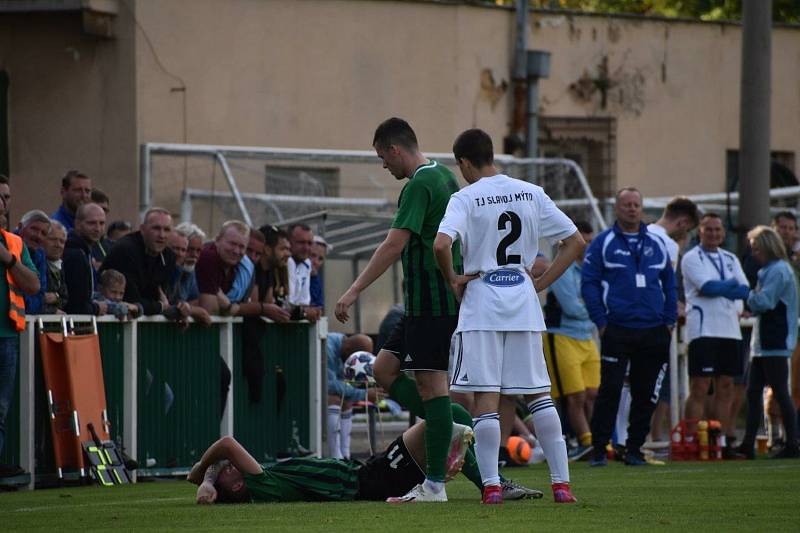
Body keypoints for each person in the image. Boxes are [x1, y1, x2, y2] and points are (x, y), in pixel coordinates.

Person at [434, 128, 583, 504]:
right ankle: (561, 486)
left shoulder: (465, 197)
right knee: (538, 394)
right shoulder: (531, 193)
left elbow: (441, 243)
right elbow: (575, 241)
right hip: (521, 300)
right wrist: (540, 282)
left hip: (483, 301)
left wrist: (452, 278)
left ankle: (492, 487)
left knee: (486, 396)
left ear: (465, 162)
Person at [335, 118, 461, 503]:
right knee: (383, 370)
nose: (383, 165)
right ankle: (452, 426)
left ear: (394, 149)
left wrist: (353, 290)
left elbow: (393, 245)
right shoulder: (443, 176)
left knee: (431, 388)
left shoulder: (419, 184)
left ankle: (435, 484)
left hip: (432, 304)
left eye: (381, 157)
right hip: (422, 305)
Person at [582, 187, 677, 467]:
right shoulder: (603, 243)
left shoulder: (657, 243)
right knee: (610, 389)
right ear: (617, 208)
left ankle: (634, 449)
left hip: (654, 330)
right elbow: (589, 283)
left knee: (646, 392)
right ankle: (600, 449)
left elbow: (670, 284)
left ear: (642, 208)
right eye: (627, 205)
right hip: (617, 329)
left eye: (636, 204)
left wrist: (669, 321)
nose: (632, 209)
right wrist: (601, 321)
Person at [186, 423, 475, 504]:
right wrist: (202, 474)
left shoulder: (258, 481)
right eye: (229, 470)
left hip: (369, 473)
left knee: (448, 419)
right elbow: (226, 445)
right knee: (443, 414)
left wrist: (208, 480)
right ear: (237, 485)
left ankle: (456, 468)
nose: (230, 465)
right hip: (374, 479)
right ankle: (489, 481)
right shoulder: (265, 485)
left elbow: (223, 456)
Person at [680, 213, 750, 458]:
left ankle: (721, 444)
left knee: (727, 386)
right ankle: (690, 441)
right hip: (703, 329)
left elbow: (744, 289)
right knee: (700, 386)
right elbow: (707, 288)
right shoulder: (691, 257)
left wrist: (724, 287)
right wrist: (728, 286)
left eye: (717, 230)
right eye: (708, 230)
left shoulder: (731, 258)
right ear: (700, 232)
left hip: (730, 330)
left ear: (723, 233)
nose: (713, 234)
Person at [736, 226, 799, 459]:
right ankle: (748, 443)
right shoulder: (770, 270)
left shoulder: (778, 270)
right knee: (753, 392)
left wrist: (745, 293)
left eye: (756, 249)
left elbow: (764, 302)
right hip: (764, 342)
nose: (754, 254)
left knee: (781, 392)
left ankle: (792, 443)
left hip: (775, 340)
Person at [542, 220, 599, 461]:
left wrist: (592, 306)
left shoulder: (588, 268)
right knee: (574, 395)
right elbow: (572, 307)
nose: (586, 243)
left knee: (591, 393)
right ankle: (585, 441)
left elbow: (590, 303)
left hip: (586, 336)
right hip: (563, 336)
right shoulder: (561, 268)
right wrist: (595, 307)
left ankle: (594, 439)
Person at [0, 193, 41, 477]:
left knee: (0, 412)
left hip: (6, 336)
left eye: (4, 200)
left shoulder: (13, 243)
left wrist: (9, 260)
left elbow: (33, 285)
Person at [100, 208, 185, 320]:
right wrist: (161, 306)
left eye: (167, 230)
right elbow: (132, 300)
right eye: (156, 228)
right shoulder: (126, 250)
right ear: (142, 229)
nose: (162, 235)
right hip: (109, 323)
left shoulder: (169, 256)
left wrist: (182, 309)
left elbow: (166, 300)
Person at [326, 333, 377, 459]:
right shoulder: (328, 347)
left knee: (346, 400)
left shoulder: (345, 346)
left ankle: (345, 455)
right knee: (334, 399)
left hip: (324, 390)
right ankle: (335, 457)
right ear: (348, 349)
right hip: (307, 391)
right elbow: (329, 385)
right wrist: (363, 394)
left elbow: (342, 385)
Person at [62, 203, 108, 315]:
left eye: (101, 223)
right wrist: (97, 308)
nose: (98, 228)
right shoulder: (75, 255)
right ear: (77, 224)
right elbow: (77, 305)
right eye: (92, 223)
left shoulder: (85, 251)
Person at [15, 210, 50, 314]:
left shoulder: (40, 254)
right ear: (20, 227)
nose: (38, 236)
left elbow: (40, 292)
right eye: (34, 229)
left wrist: (29, 309)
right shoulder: (8, 246)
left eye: (43, 233)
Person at [286, 224, 321, 322]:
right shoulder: (286, 262)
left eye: (309, 243)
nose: (306, 248)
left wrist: (309, 311)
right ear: (289, 242)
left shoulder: (306, 263)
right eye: (301, 242)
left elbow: (304, 302)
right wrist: (305, 312)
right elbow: (288, 304)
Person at [42, 221, 68, 314]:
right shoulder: (35, 263)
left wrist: (56, 297)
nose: (58, 245)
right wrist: (52, 311)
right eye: (53, 239)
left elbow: (65, 298)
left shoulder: (60, 265)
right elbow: (32, 301)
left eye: (62, 241)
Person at [309, 235, 328, 310]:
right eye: (313, 255)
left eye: (320, 259)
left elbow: (319, 306)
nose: (316, 262)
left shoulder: (315, 279)